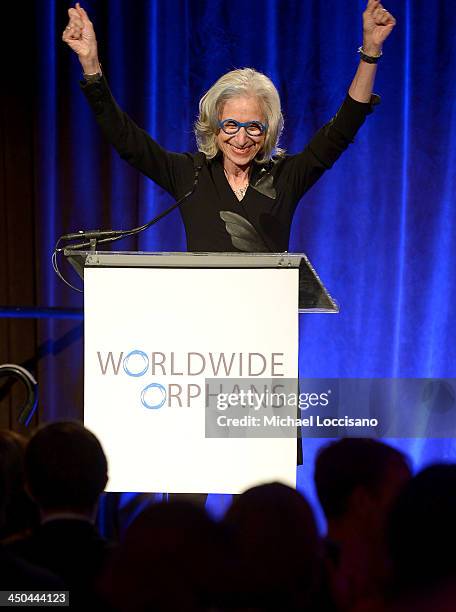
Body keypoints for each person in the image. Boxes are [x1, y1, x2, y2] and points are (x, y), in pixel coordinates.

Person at [62, 1, 396, 253]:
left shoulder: (286, 177)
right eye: (231, 124)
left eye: (254, 127)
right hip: (205, 332)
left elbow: (342, 130)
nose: (241, 138)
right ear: (214, 126)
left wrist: (371, 52)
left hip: (264, 334)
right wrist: (91, 65)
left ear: (269, 130)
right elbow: (127, 141)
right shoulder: (190, 174)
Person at [314, 438, 411, 611]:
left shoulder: (302, 579)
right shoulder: (402, 579)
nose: (411, 503)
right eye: (402, 493)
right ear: (362, 501)